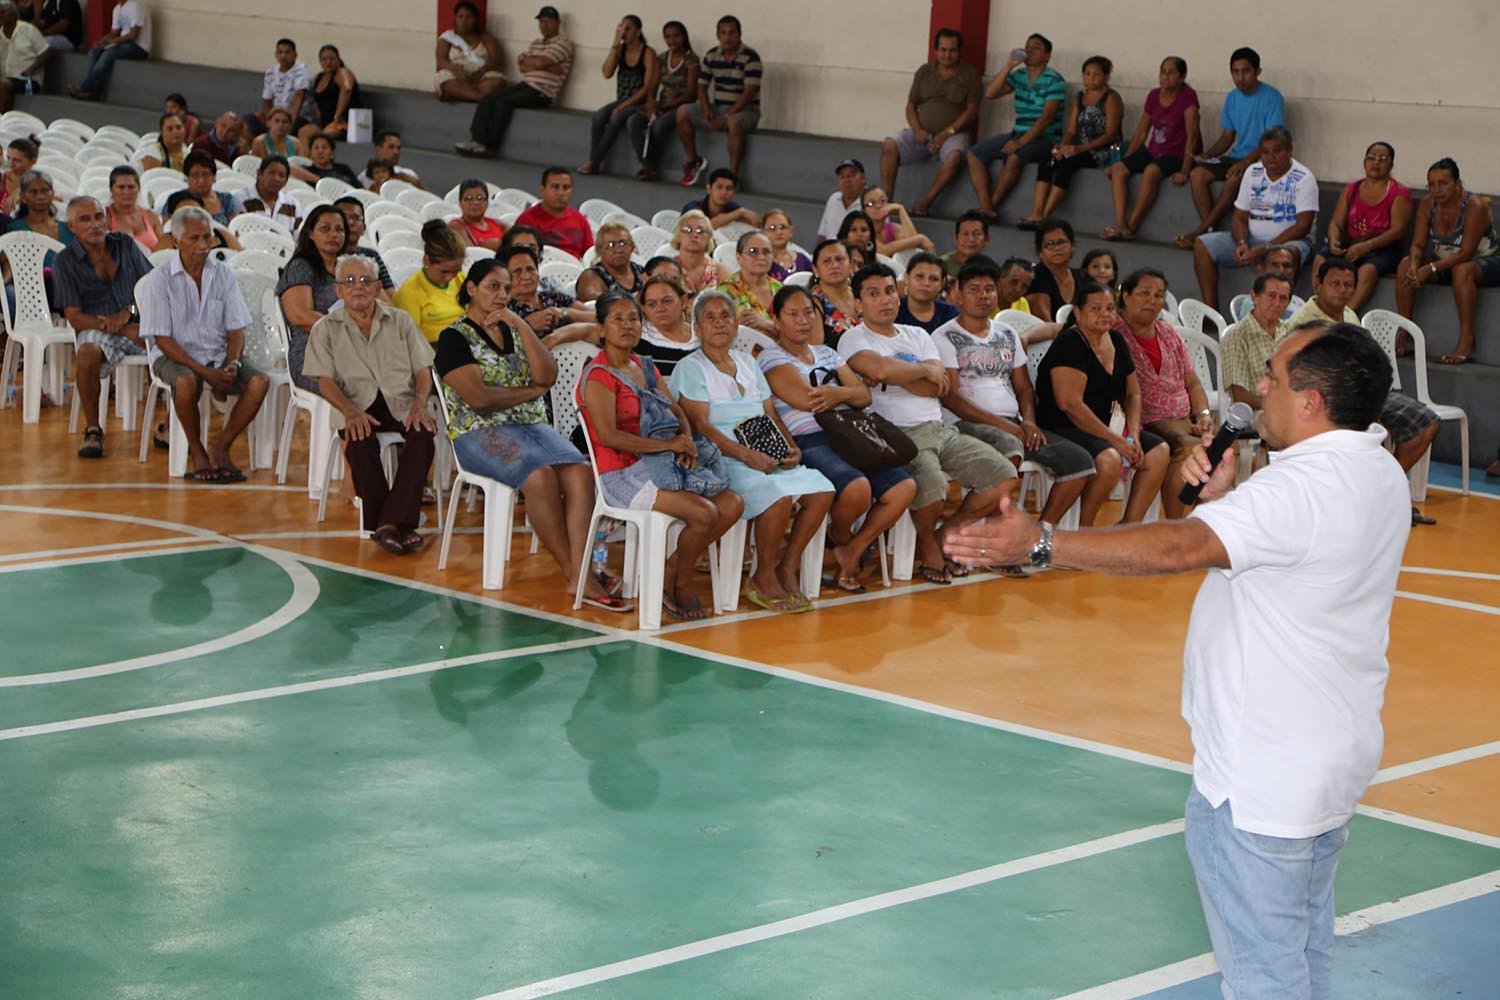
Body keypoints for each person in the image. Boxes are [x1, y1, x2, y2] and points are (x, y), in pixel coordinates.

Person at [946, 322, 1411, 1000]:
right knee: (1304, 950)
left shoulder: (1297, 491)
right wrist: (1225, 502)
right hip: (1330, 758)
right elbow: (1270, 552)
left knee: (1262, 976)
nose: (1260, 394)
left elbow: (1178, 549)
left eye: (1275, 380)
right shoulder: (1374, 466)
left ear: (1311, 402)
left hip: (1262, 776)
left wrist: (1044, 544)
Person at [434, 258, 627, 606]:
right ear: (471, 289)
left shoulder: (513, 328)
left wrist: (521, 325)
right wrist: (529, 392)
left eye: (507, 289)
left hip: (531, 426)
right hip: (476, 432)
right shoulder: (453, 338)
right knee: (538, 478)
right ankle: (576, 573)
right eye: (494, 286)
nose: (502, 294)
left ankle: (581, 567)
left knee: (581, 474)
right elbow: (479, 399)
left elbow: (547, 376)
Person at [838, 262, 1015, 584]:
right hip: (897, 433)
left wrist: (899, 376)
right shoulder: (853, 339)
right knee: (933, 484)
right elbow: (878, 370)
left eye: (890, 291)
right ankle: (929, 547)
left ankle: (946, 532)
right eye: (873, 294)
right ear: (858, 304)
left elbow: (939, 386)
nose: (885, 299)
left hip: (941, 429)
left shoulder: (917, 334)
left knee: (1004, 476)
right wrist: (920, 371)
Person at [578, 289, 743, 621]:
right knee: (704, 513)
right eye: (617, 319)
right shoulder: (598, 375)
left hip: (660, 462)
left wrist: (685, 437)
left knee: (733, 504)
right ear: (600, 329)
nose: (627, 325)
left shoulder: (644, 365)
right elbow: (610, 437)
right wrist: (669, 446)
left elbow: (675, 408)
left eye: (634, 319)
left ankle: (668, 573)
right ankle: (679, 584)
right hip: (621, 473)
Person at [673, 289, 834, 612]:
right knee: (777, 496)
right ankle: (762, 576)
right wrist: (745, 456)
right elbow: (701, 426)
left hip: (763, 449)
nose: (719, 324)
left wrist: (790, 448)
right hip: (721, 457)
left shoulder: (749, 362)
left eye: (726, 317)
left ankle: (785, 566)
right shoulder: (691, 367)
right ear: (697, 328)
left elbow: (770, 414)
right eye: (710, 318)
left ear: (736, 326)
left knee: (822, 490)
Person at [759, 284, 916, 592]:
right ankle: (840, 537)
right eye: (793, 314)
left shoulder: (828, 353)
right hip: (811, 438)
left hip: (851, 434)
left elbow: (864, 396)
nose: (803, 320)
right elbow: (808, 401)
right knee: (858, 489)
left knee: (903, 487)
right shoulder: (770, 357)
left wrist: (838, 393)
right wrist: (844, 393)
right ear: (777, 320)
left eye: (808, 313)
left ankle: (852, 550)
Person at [933, 256, 1093, 527]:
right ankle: (992, 536)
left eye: (989, 289)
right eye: (974, 289)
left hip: (1014, 423)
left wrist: (1028, 421)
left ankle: (1039, 536)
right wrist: (1002, 425)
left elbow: (1023, 387)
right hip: (965, 424)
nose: (983, 296)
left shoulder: (1007, 333)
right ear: (958, 296)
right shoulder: (943, 336)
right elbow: (952, 399)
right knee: (1009, 449)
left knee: (1080, 463)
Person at [304, 254, 435, 555]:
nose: (357, 287)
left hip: (401, 403)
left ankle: (386, 524)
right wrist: (350, 412)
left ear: (378, 288)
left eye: (365, 281)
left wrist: (419, 404)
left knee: (424, 435)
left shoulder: (400, 321)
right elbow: (325, 382)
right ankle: (400, 524)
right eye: (349, 281)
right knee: (359, 439)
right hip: (355, 405)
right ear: (338, 290)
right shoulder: (325, 329)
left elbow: (423, 370)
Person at [1289, 272, 1443, 525]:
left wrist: (1372, 396)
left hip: (1365, 391)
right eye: (1335, 283)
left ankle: (1382, 490)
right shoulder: (1303, 322)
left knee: (1427, 422)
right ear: (1318, 284)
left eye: (1348, 285)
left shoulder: (1351, 316)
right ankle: (1369, 497)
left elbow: (1366, 363)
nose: (1342, 290)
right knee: (1370, 427)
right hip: (1329, 395)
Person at [138, 205, 268, 483]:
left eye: (207, 237)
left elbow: (236, 329)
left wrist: (232, 361)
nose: (203, 245)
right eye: (194, 238)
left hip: (217, 354)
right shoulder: (159, 280)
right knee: (186, 382)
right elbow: (162, 339)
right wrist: (203, 370)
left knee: (258, 383)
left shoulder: (223, 274)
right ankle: (196, 451)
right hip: (173, 356)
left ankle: (221, 446)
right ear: (176, 242)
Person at [1033, 281, 1171, 525]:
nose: (1104, 315)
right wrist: (1115, 440)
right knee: (1109, 459)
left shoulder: (1116, 340)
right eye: (1096, 308)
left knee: (1158, 451)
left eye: (1109, 308)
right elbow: (1071, 406)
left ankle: (1128, 526)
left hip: (1108, 426)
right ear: (1078, 312)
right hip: (1064, 427)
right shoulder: (1069, 344)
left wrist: (1134, 435)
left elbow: (1133, 394)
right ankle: (1083, 530)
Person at [54, 195, 153, 458]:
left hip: (136, 319)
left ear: (107, 219)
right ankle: (93, 429)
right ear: (71, 226)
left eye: (98, 216)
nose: (94, 224)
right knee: (87, 351)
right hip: (94, 325)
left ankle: (168, 426)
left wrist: (128, 313)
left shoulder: (125, 245)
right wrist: (120, 326)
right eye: (85, 219)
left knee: (171, 342)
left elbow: (151, 288)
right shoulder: (64, 262)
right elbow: (74, 316)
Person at [1114, 268, 1215, 520]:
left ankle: (1198, 522)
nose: (1153, 301)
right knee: (1191, 449)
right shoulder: (1113, 331)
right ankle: (1174, 522)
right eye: (1144, 293)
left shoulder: (1169, 333)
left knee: (1216, 444)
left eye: (1159, 295)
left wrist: (1202, 414)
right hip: (1143, 421)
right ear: (1126, 295)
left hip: (1182, 420)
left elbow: (1192, 382)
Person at [1192, 126, 1316, 312]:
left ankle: (1280, 315)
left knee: (1283, 257)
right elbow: (1240, 217)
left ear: (1289, 150)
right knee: (1203, 244)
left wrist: (1267, 248)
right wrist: (1242, 242)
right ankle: (1212, 314)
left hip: (1291, 242)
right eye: (1265, 152)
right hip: (1252, 240)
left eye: (1277, 151)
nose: (1270, 156)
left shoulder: (1304, 178)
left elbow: (1303, 227)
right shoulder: (1253, 172)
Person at [1175, 47, 1286, 248]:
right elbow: (1227, 137)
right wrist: (1207, 154)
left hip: (1262, 160)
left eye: (1245, 71)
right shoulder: (1233, 98)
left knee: (1234, 178)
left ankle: (1200, 231)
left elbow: (1271, 142)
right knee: (1197, 174)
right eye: (1235, 72)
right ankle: (1211, 230)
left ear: (1258, 71)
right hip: (1236, 157)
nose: (1240, 77)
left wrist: (1245, 162)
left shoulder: (1272, 97)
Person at [1394, 157, 1500, 365]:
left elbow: (1467, 252)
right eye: (1431, 184)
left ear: (1457, 184)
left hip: (1485, 261)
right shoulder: (1426, 204)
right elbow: (1417, 244)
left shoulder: (1474, 205)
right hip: (1445, 262)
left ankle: (1466, 339)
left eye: (1443, 183)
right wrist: (1416, 264)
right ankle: (1405, 333)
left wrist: (1431, 268)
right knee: (1405, 264)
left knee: (1462, 270)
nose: (1436, 189)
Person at [881, 28, 981, 217]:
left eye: (952, 50)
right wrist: (917, 130)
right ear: (936, 50)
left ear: (959, 51)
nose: (947, 55)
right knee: (889, 144)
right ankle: (887, 199)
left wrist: (946, 133)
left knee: (954, 158)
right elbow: (911, 106)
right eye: (943, 49)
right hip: (922, 134)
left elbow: (971, 111)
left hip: (953, 134)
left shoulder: (970, 74)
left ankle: (925, 202)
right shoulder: (924, 72)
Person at [966, 33, 1065, 221]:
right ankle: (986, 205)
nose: (1029, 51)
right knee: (974, 154)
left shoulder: (1054, 80)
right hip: (1018, 132)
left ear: (1047, 56)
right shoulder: (1019, 76)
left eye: (1035, 48)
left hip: (1046, 138)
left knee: (1014, 158)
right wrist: (1009, 65)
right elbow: (991, 93)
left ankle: (990, 207)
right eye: (1027, 47)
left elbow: (1046, 118)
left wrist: (1020, 143)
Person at [453, 5, 573, 159]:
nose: (544, 25)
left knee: (504, 102)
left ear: (558, 23)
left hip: (542, 92)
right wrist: (541, 65)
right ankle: (476, 140)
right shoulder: (536, 43)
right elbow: (522, 66)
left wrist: (535, 63)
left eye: (549, 21)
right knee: (489, 98)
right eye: (542, 21)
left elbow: (540, 63)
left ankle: (489, 146)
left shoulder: (563, 44)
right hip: (526, 85)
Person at [1102, 56, 1200, 241]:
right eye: (1163, 72)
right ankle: (1120, 223)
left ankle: (1132, 225)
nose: (1165, 77)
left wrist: (1185, 170)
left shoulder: (1188, 97)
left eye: (1171, 73)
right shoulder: (1153, 95)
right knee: (1119, 169)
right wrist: (1126, 161)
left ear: (1182, 76)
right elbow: (1141, 133)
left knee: (1151, 171)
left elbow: (1192, 136)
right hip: (1154, 150)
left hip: (1177, 153)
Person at [1310, 142, 1413, 316]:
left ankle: (1345, 316)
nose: (1376, 163)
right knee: (1320, 258)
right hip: (1351, 243)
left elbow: (1398, 231)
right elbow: (1335, 223)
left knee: (1368, 270)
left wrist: (1367, 247)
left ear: (1391, 165)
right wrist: (1334, 241)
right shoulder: (1351, 189)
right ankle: (1318, 311)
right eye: (1371, 158)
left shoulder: (1399, 193)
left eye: (1382, 159)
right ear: (1364, 162)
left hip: (1383, 248)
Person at [1020, 56, 1123, 227]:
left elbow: (1111, 134)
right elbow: (1071, 130)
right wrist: (1061, 147)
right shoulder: (1080, 97)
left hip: (1103, 150)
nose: (1091, 78)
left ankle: (1046, 215)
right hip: (1079, 148)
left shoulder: (1111, 98)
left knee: (1068, 165)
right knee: (1049, 161)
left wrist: (1080, 149)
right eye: (1087, 74)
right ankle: (1036, 212)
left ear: (1106, 77)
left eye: (1097, 75)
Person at [675, 14, 761, 185]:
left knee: (734, 123)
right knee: (683, 111)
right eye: (723, 33)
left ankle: (732, 177)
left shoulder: (751, 57)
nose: (727, 38)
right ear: (717, 35)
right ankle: (693, 162)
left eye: (732, 33)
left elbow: (749, 93)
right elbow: (701, 86)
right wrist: (706, 109)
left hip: (746, 110)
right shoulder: (711, 55)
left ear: (739, 34)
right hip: (718, 106)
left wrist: (726, 116)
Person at [579, 15, 657, 177]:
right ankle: (594, 160)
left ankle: (594, 162)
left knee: (616, 119)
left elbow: (646, 87)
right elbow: (606, 72)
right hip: (621, 99)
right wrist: (615, 44)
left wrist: (622, 106)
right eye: (621, 28)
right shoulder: (620, 50)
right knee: (599, 117)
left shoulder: (647, 52)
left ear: (638, 31)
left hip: (637, 101)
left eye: (628, 28)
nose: (624, 32)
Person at [279, 205, 345, 392]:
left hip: (352, 348)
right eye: (325, 228)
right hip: (311, 352)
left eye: (339, 230)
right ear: (310, 234)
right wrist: (349, 328)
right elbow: (300, 317)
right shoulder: (301, 267)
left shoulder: (349, 266)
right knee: (360, 384)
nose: (333, 234)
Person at [628, 19, 698, 181]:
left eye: (676, 36)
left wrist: (665, 105)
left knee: (660, 126)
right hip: (662, 104)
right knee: (634, 121)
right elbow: (653, 84)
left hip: (680, 107)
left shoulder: (691, 60)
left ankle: (651, 166)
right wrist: (652, 102)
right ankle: (646, 164)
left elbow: (691, 93)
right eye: (668, 37)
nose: (672, 41)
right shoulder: (662, 58)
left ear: (684, 37)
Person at [1220, 270, 1292, 410]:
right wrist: (1280, 405)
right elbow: (1240, 397)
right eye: (1271, 296)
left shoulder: (1290, 333)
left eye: (1283, 298)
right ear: (1254, 297)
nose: (1277, 303)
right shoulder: (1237, 336)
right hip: (1258, 411)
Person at [392, 219, 466, 344]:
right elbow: (410, 342)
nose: (450, 277)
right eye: (444, 272)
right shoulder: (409, 293)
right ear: (427, 261)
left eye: (456, 270)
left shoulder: (463, 280)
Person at [501, 243, 593, 338]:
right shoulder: (504, 308)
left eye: (530, 269)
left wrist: (566, 313)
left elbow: (598, 317)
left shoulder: (552, 296)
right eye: (517, 271)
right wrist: (527, 325)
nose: (526, 276)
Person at [68, 0, 149, 100]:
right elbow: (113, 32)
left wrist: (112, 42)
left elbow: (133, 36)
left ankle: (86, 87)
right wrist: (101, 42)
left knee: (109, 53)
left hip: (139, 47)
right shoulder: (117, 9)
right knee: (95, 51)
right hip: (123, 44)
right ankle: (93, 91)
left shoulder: (134, 6)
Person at [512, 166, 593, 260]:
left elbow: (590, 255)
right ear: (542, 190)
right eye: (555, 187)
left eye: (566, 188)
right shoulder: (527, 220)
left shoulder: (580, 220)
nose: (561, 193)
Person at [435, 0, 506, 103]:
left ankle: (461, 95)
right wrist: (452, 67)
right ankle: (482, 98)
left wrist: (480, 73)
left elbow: (497, 60)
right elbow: (441, 60)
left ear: (475, 20)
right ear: (455, 18)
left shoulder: (486, 37)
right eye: (460, 16)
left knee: (496, 81)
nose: (464, 21)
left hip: (481, 74)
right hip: (458, 74)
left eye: (469, 17)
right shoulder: (447, 38)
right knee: (446, 79)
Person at [716, 229, 780, 336]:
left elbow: (794, 331)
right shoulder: (726, 292)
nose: (761, 257)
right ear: (739, 257)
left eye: (766, 252)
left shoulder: (781, 290)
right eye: (752, 251)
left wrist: (765, 324)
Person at [635, 270, 698, 377]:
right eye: (652, 304)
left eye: (667, 301)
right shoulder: (637, 335)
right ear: (644, 308)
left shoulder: (702, 334)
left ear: (683, 301)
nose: (660, 309)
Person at [333, 196, 394, 295]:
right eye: (344, 218)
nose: (350, 222)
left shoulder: (371, 255)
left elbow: (390, 296)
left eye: (356, 218)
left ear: (363, 228)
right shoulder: (328, 257)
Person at [250, 38, 312, 135]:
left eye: (287, 52)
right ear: (276, 55)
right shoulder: (270, 72)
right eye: (280, 52)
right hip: (276, 115)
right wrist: (269, 121)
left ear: (295, 55)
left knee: (283, 125)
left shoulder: (301, 71)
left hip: (299, 117)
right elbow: (267, 100)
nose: (283, 56)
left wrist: (290, 123)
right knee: (248, 120)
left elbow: (298, 99)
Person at [300, 44, 358, 145]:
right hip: (322, 123)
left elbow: (347, 89)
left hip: (342, 123)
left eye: (332, 59)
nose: (328, 62)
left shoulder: (342, 72)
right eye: (324, 59)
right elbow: (310, 97)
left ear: (338, 60)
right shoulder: (318, 77)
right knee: (304, 132)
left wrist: (337, 115)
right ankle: (306, 160)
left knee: (323, 137)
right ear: (320, 62)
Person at [1026, 218, 1081, 321]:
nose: (1057, 248)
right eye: (1050, 244)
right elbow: (1044, 321)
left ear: (1072, 246)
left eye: (1061, 242)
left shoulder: (1083, 277)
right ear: (1040, 251)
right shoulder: (1036, 276)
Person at [0, 0, 49, 113]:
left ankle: (2, 122)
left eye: (3, 12)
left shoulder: (28, 30)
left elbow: (47, 51)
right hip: (7, 78)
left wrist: (31, 69)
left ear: (14, 14)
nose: (0, 15)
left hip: (29, 82)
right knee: (4, 83)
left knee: (4, 85)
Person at [572, 221, 640, 300]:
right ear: (599, 250)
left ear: (632, 247)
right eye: (610, 245)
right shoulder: (591, 277)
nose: (618, 250)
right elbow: (600, 304)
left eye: (622, 244)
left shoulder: (641, 272)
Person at [808, 238, 857, 346]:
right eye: (826, 261)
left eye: (839, 259)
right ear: (816, 270)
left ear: (851, 265)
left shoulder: (862, 295)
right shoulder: (813, 304)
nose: (834, 265)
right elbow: (816, 350)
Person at [861, 185, 934, 256]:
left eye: (882, 201)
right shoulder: (860, 229)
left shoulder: (894, 229)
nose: (878, 206)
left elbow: (911, 247)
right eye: (871, 203)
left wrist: (901, 210)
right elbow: (883, 250)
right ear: (863, 210)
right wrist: (920, 238)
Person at [104, 165, 163, 251]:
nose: (126, 192)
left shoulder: (151, 216)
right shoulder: (105, 217)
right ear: (111, 189)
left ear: (138, 188)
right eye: (121, 187)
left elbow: (163, 251)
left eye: (131, 187)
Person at [896, 251, 957, 333]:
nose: (926, 283)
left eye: (934, 279)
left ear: (942, 284)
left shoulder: (951, 315)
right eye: (920, 276)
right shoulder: (893, 311)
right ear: (907, 277)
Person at [668, 208, 724, 295]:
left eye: (700, 231)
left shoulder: (720, 271)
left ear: (709, 238)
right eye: (688, 230)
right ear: (678, 236)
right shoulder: (667, 269)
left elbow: (736, 304)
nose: (694, 235)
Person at [682, 167, 759, 229]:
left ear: (734, 192)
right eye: (719, 187)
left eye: (729, 188)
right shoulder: (692, 207)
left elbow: (756, 224)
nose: (724, 192)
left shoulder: (733, 208)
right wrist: (738, 213)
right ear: (709, 188)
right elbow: (704, 227)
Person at [239, 155, 298, 230]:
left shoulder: (293, 205)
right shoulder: (241, 199)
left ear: (286, 182)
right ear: (259, 174)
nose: (276, 179)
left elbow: (298, 238)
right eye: (272, 173)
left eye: (281, 175)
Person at [182, 151, 240, 226]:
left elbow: (235, 228)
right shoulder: (177, 200)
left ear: (214, 177)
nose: (201, 181)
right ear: (187, 178)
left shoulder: (227, 199)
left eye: (205, 174)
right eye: (195, 175)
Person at [447, 177, 505, 252]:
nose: (475, 202)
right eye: (469, 198)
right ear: (460, 203)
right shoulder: (456, 226)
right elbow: (470, 253)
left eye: (480, 198)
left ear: (487, 202)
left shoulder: (499, 224)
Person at [818, 158, 865, 240]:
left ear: (863, 178)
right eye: (842, 177)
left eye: (852, 175)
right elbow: (823, 235)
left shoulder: (871, 202)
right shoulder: (833, 199)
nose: (847, 180)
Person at [291, 132, 359, 187]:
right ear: (310, 153)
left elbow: (359, 187)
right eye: (316, 148)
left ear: (332, 152)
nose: (320, 151)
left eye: (324, 147)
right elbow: (289, 168)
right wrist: (318, 179)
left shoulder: (343, 168)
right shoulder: (307, 171)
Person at [941, 209, 990, 279]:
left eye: (977, 234)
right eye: (965, 234)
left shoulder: (990, 268)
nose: (971, 239)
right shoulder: (941, 266)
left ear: (987, 239)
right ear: (956, 238)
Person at [762, 209, 809, 280]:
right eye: (772, 228)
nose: (778, 232)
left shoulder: (802, 259)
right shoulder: (760, 261)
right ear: (763, 232)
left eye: (782, 227)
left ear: (791, 231)